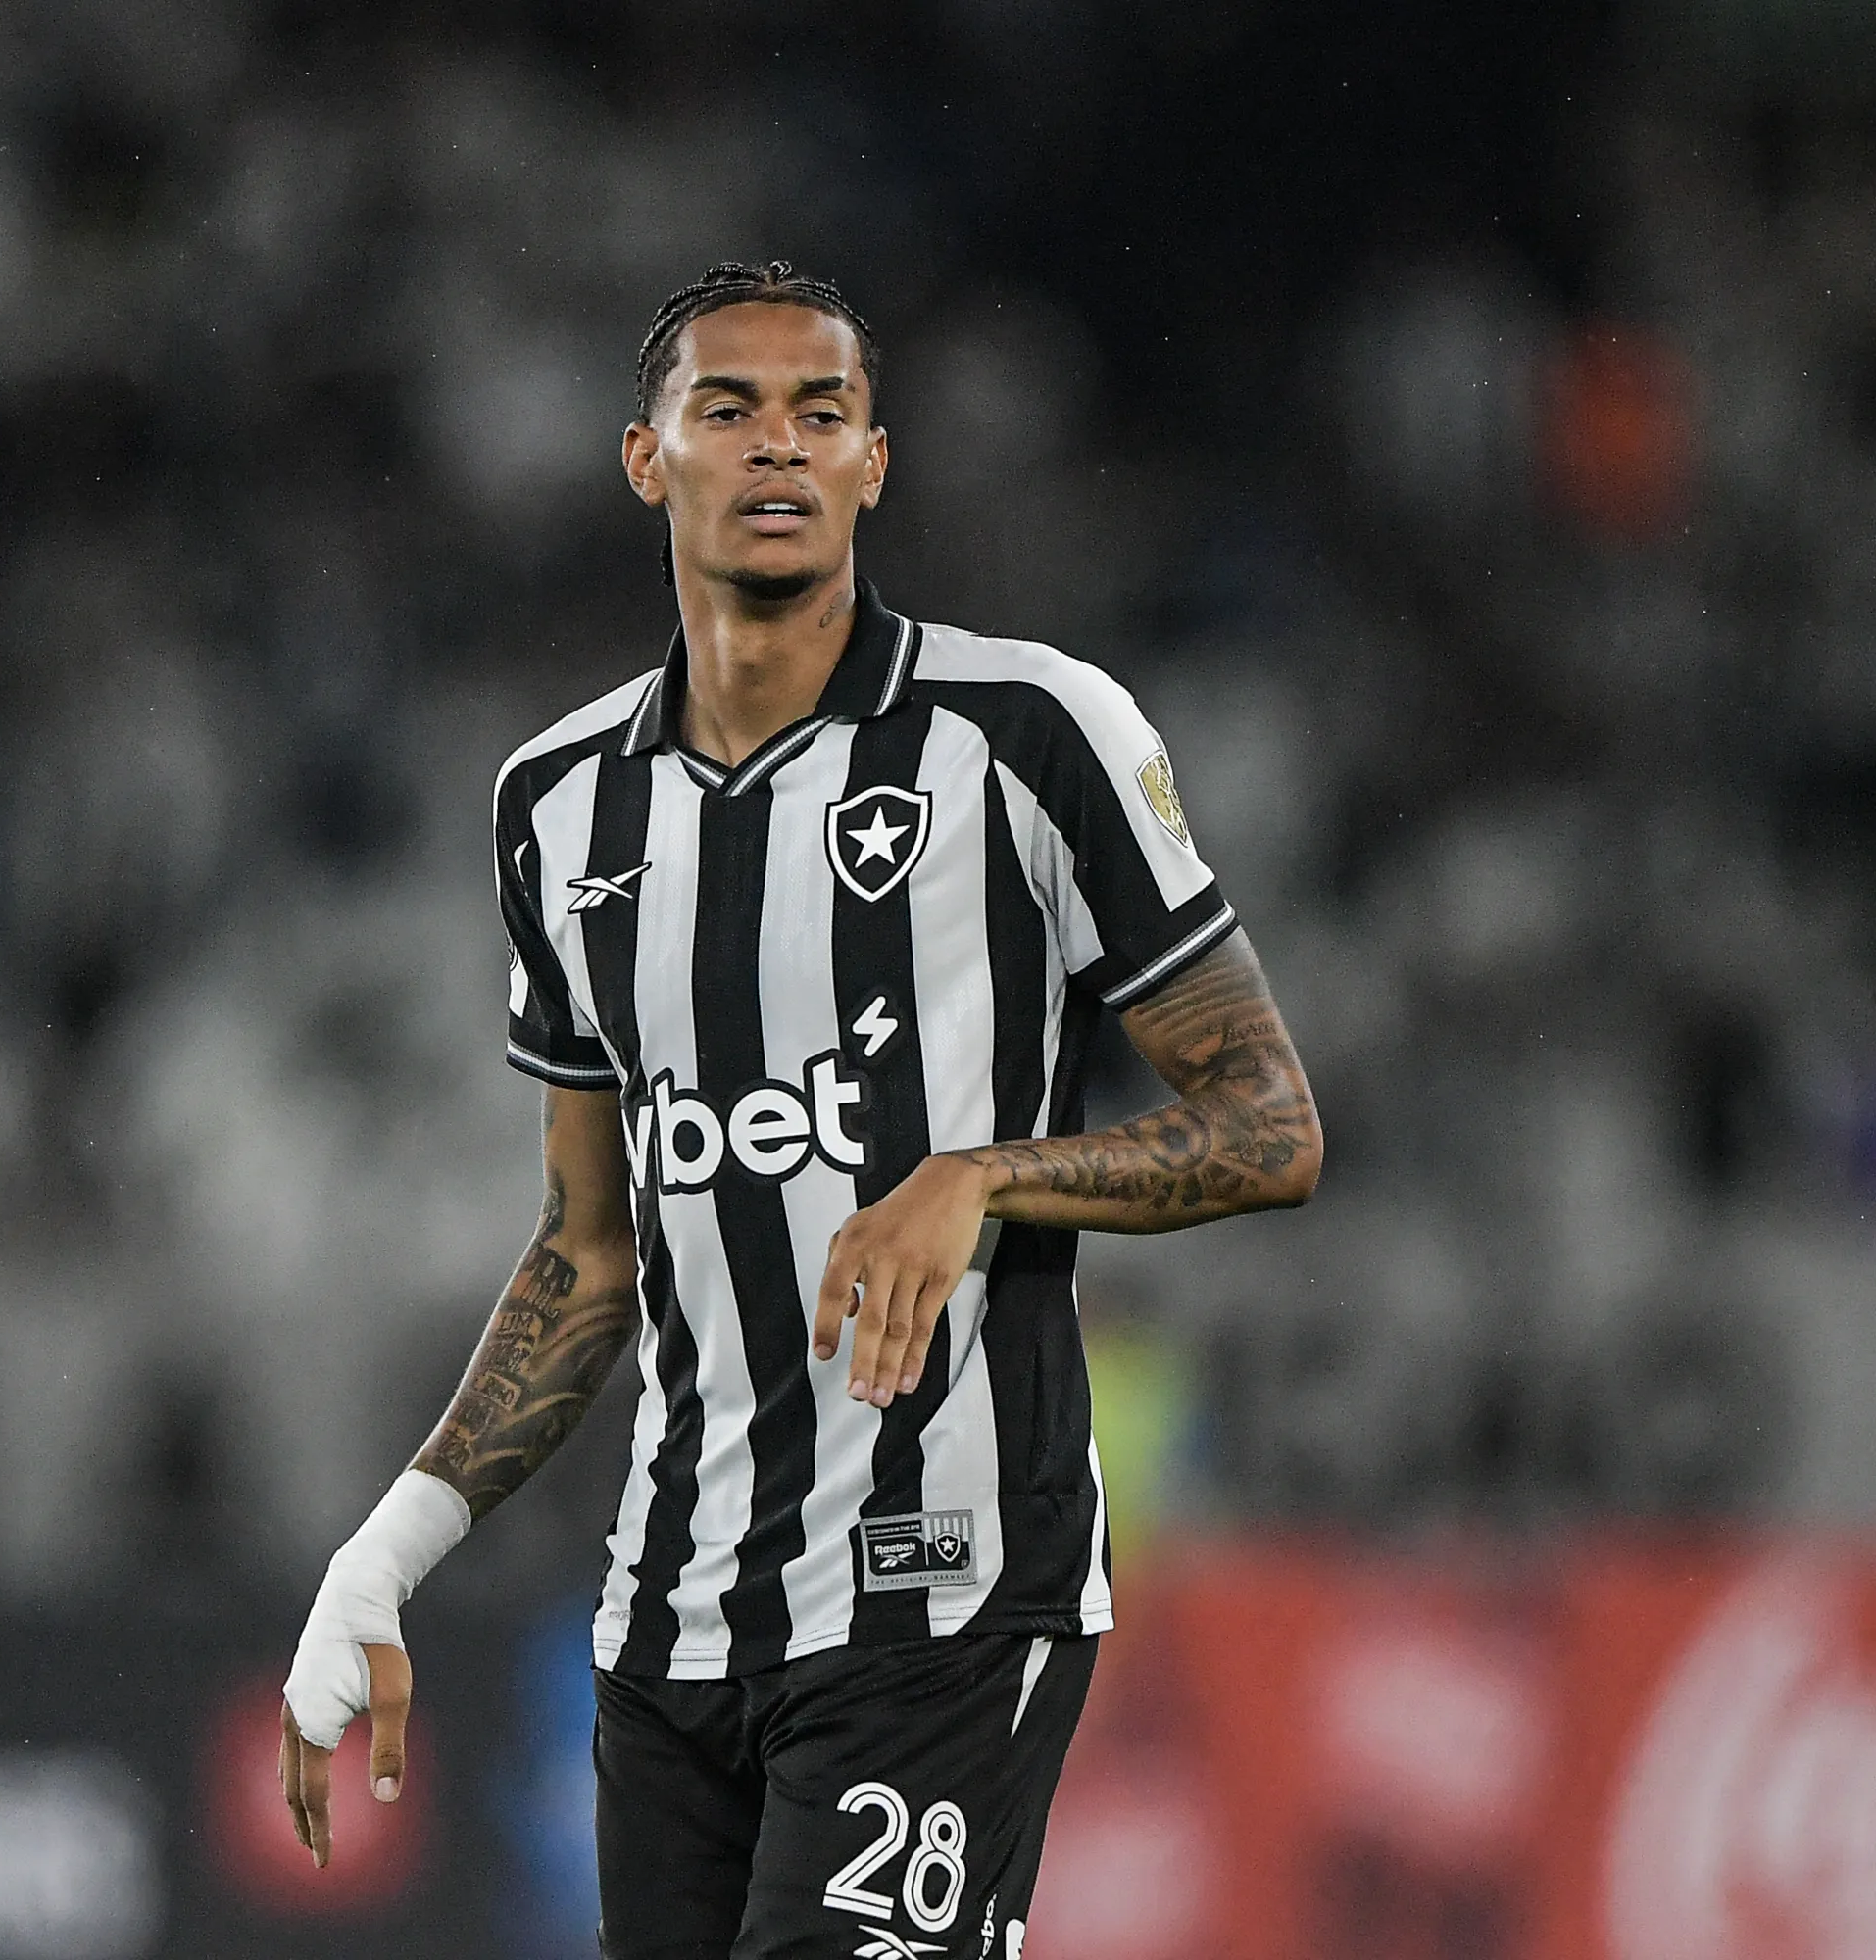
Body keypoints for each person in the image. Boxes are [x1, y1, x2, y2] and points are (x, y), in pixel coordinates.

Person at [278, 262, 1323, 1959]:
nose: (779, 447)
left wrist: (982, 1174)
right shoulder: (556, 807)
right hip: (669, 1624)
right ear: (648, 460)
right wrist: (385, 1556)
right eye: (730, 410)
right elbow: (587, 1249)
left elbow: (1270, 1122)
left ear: (874, 466)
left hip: (950, 1590)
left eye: (819, 414)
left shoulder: (1031, 734)